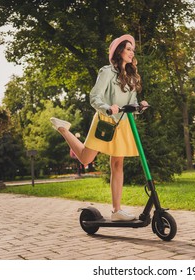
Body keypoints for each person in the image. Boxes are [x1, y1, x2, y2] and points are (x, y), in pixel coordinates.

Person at [50, 34, 148, 221]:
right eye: (128, 49)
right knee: (86, 158)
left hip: (123, 122)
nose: (131, 52)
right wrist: (107, 108)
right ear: (119, 51)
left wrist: (140, 106)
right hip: (105, 119)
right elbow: (95, 97)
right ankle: (64, 129)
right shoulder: (106, 72)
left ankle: (116, 211)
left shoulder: (132, 76)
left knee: (118, 164)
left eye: (132, 50)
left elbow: (132, 102)